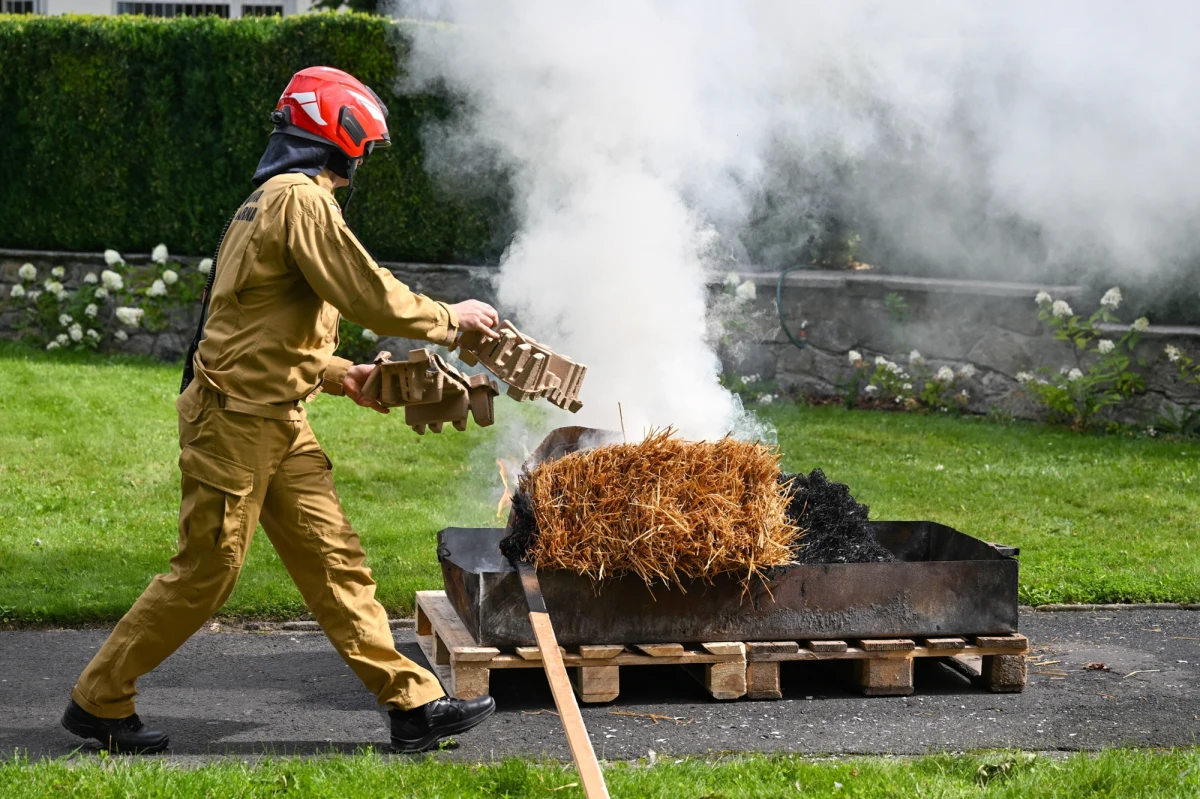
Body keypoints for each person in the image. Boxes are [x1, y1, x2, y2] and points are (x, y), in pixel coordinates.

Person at [61, 66, 498, 754]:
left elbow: (260, 330)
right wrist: (451, 318)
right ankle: (99, 699)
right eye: (362, 147)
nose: (360, 163)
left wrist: (342, 374)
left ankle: (413, 705)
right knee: (205, 574)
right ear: (338, 134)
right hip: (235, 423)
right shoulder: (299, 200)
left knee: (334, 560)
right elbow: (367, 294)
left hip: (275, 419)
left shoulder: (269, 199)